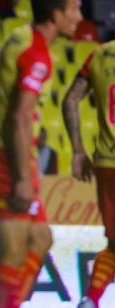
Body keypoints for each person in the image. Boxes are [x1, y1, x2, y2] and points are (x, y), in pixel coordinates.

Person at [0, 0, 81, 306]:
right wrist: (22, 177)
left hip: (13, 152)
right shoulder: (36, 54)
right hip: (3, 155)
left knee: (41, 238)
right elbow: (19, 118)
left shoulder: (21, 37)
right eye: (75, 9)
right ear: (57, 14)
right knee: (14, 251)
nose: (80, 17)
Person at [62, 40, 115, 308]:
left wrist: (78, 150)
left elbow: (70, 99)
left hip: (108, 163)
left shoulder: (99, 55)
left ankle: (91, 300)